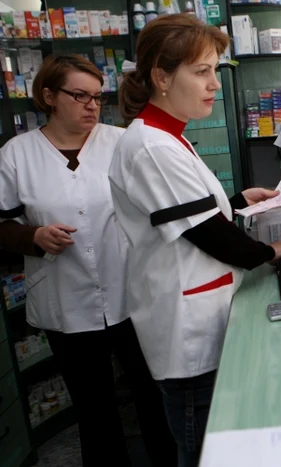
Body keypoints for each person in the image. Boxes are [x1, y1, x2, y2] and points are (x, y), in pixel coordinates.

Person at [108, 14, 281, 466]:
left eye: (215, 70)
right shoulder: (152, 146)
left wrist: (236, 202)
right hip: (187, 332)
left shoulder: (168, 135)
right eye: (200, 72)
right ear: (161, 76)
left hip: (199, 310)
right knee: (202, 452)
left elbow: (182, 213)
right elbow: (207, 234)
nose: (213, 83)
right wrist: (273, 251)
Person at [0, 55, 176, 466]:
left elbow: (167, 205)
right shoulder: (15, 154)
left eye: (97, 97)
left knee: (153, 396)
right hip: (66, 302)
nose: (91, 105)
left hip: (132, 295)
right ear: (48, 96)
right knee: (95, 411)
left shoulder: (121, 141)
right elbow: (2, 222)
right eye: (79, 96)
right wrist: (33, 236)